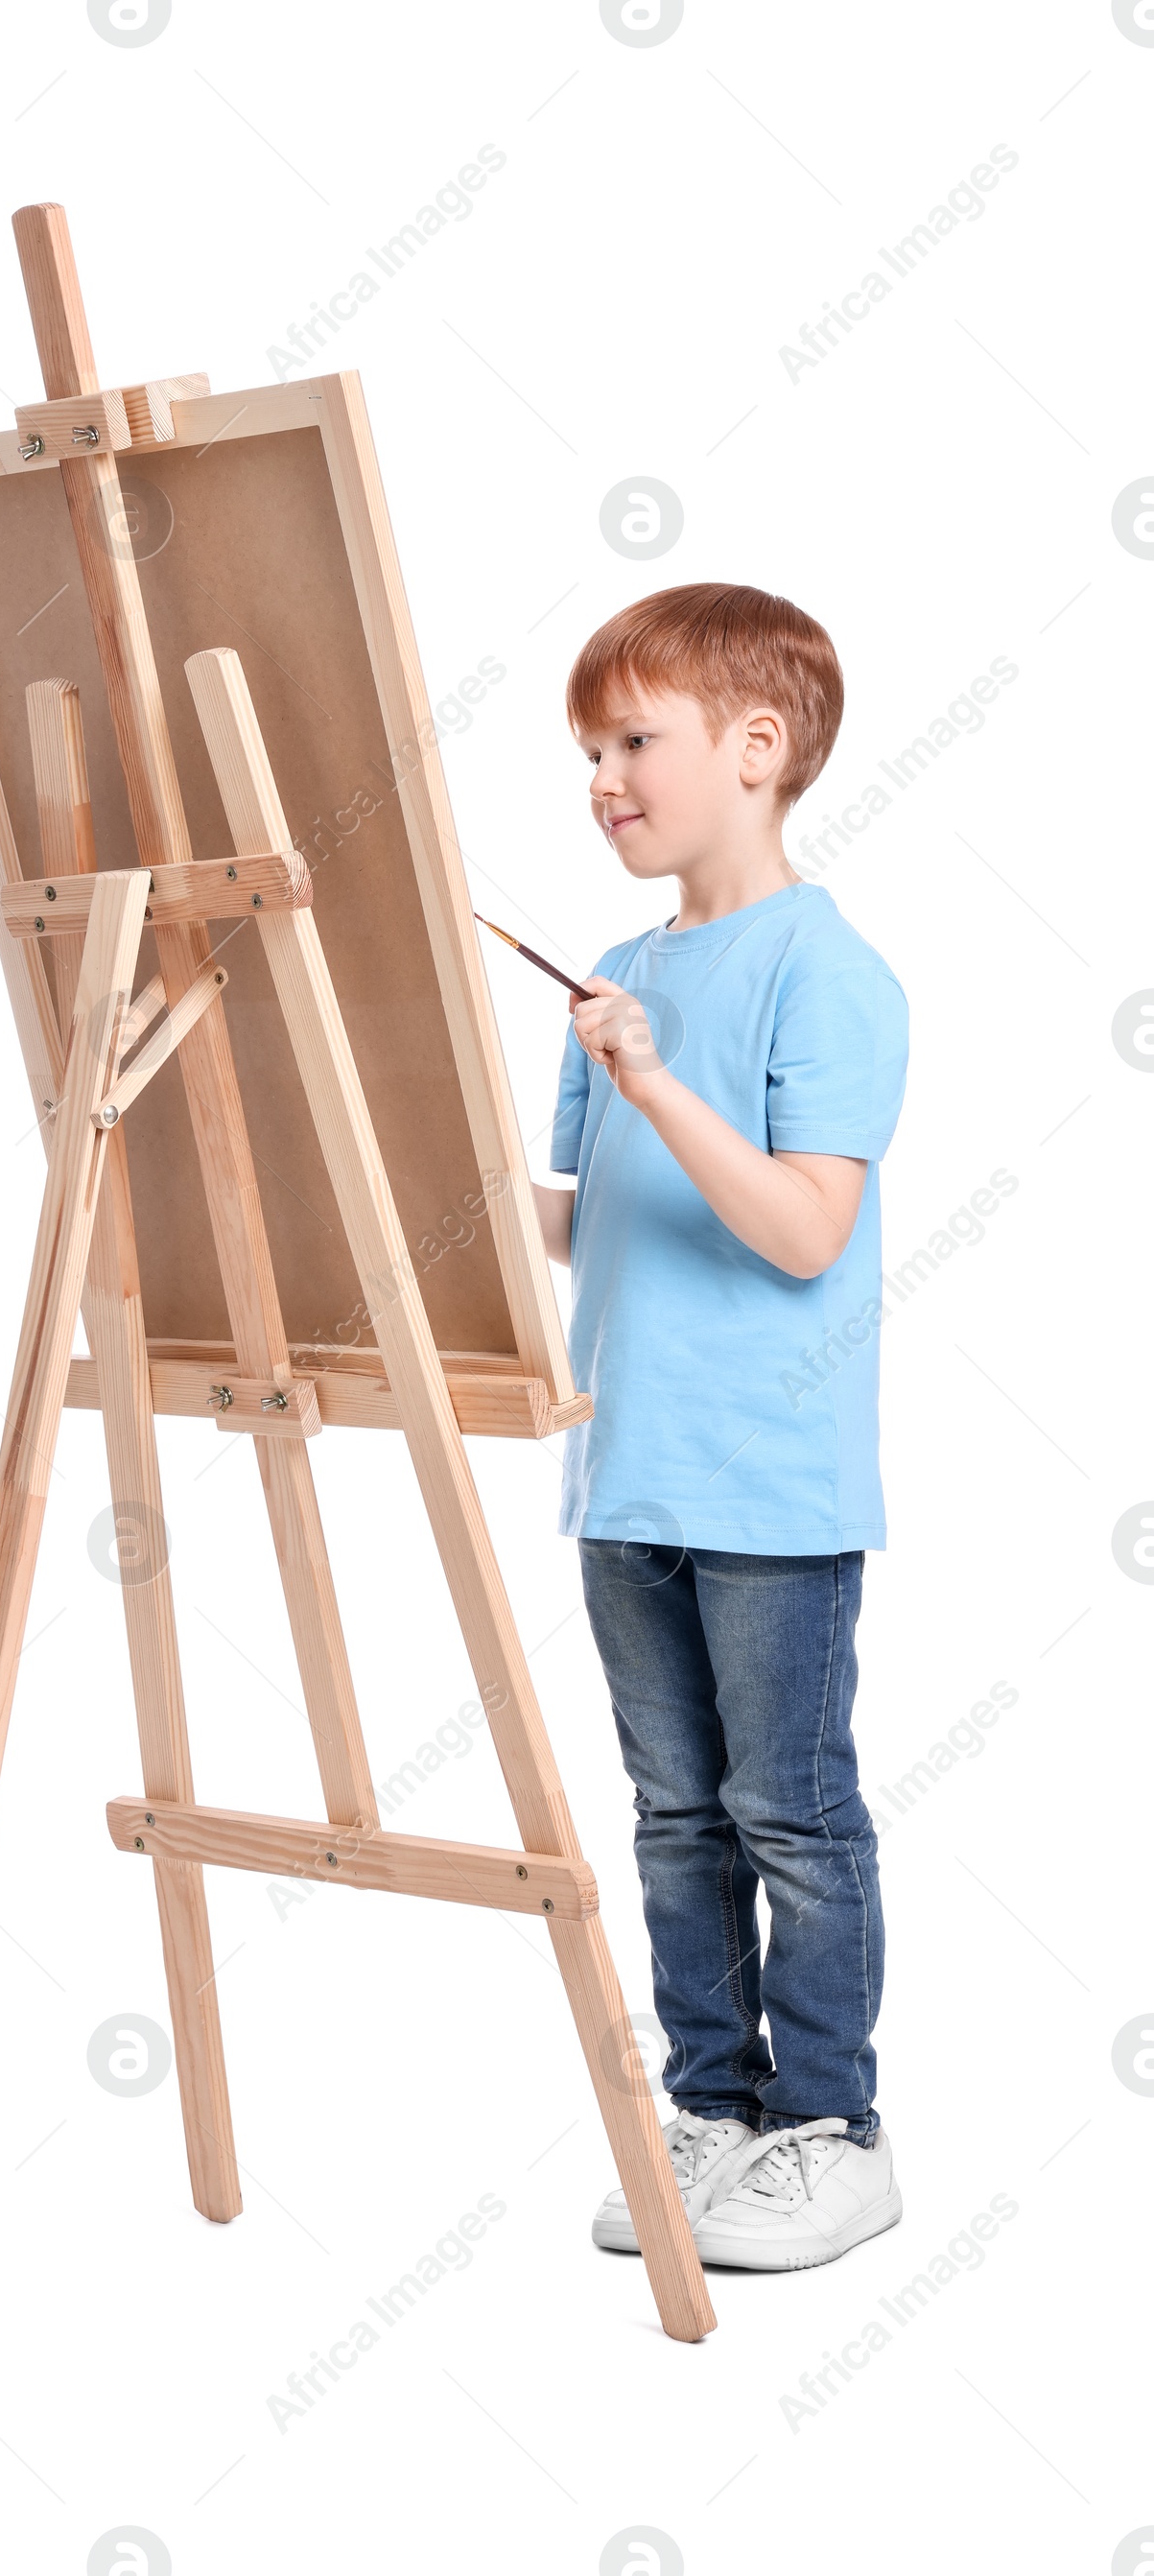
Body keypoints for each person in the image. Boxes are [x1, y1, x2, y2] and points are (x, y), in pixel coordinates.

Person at [530, 583, 908, 2270]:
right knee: (673, 1813)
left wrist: (656, 1077)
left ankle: (832, 2128)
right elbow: (585, 1211)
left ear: (756, 751)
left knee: (791, 1817)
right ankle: (718, 2113)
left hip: (769, 1488)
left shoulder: (830, 970)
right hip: (625, 1473)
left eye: (635, 739)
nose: (604, 776)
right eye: (589, 751)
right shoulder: (613, 971)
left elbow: (803, 1227)